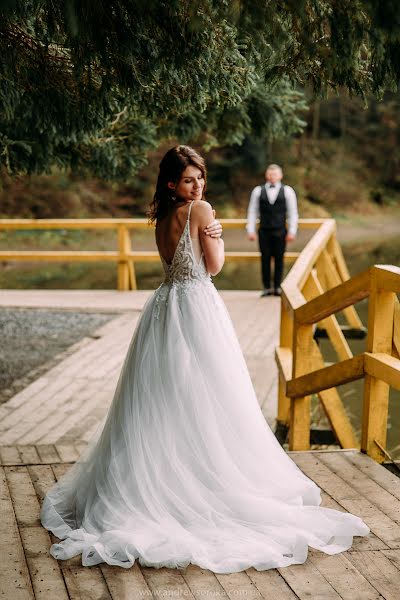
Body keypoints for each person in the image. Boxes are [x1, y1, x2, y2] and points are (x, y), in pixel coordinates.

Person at [40, 145, 369, 574]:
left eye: (201, 178)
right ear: (174, 183)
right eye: (190, 179)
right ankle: (200, 482)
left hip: (163, 308)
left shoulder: (161, 215)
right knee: (208, 395)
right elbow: (213, 268)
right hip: (196, 309)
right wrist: (215, 238)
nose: (199, 186)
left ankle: (161, 480)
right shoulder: (199, 210)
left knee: (162, 399)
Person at [246, 164, 298, 297]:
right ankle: (266, 287)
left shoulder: (288, 191)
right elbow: (252, 211)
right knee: (265, 259)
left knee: (280, 259)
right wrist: (250, 230)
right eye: (270, 174)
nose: (272, 176)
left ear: (280, 175)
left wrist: (292, 231)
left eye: (275, 174)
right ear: (266, 175)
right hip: (264, 231)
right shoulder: (258, 191)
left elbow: (293, 212)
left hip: (281, 231)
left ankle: (278, 287)